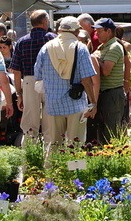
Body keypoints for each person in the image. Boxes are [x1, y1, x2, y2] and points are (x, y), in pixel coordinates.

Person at [34, 17, 98, 150]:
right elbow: (86, 79)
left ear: (60, 30)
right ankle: (74, 170)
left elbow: (38, 75)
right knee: (76, 144)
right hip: (75, 103)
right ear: (76, 32)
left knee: (55, 144)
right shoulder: (80, 48)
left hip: (52, 104)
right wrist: (93, 102)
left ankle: (52, 170)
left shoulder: (46, 48)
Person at [10, 10, 55, 143]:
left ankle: (28, 158)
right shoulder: (53, 39)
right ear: (45, 22)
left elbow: (16, 71)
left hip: (29, 80)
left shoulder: (22, 42)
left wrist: (19, 94)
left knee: (29, 124)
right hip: (51, 80)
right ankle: (50, 155)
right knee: (50, 122)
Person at [93, 18, 127, 145]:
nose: (97, 34)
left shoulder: (114, 47)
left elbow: (106, 71)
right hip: (104, 93)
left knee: (111, 131)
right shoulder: (103, 47)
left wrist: (95, 59)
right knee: (102, 130)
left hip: (112, 94)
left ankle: (115, 158)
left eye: (99, 31)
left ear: (109, 31)